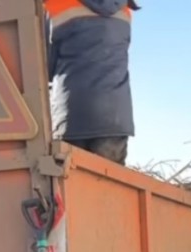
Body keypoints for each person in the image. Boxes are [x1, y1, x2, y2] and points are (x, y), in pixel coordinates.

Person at [44, 0, 138, 165]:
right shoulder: (125, 10)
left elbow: (45, 67)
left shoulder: (56, 5)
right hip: (114, 118)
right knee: (107, 186)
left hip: (71, 114)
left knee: (71, 186)